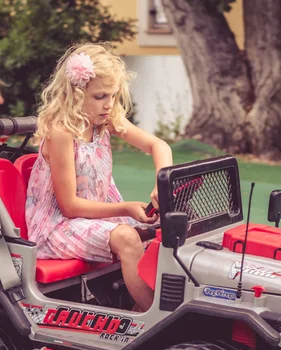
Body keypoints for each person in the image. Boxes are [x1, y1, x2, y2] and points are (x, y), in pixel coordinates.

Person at [25, 42, 173, 312]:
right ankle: (156, 320)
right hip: (59, 226)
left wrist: (161, 183)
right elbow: (69, 206)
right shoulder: (62, 132)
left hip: (96, 217)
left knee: (163, 230)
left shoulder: (106, 120)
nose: (109, 105)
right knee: (128, 238)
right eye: (100, 96)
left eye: (114, 96)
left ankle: (138, 310)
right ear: (76, 94)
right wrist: (127, 207)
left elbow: (159, 146)